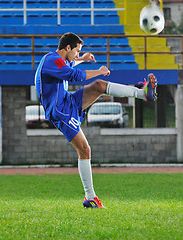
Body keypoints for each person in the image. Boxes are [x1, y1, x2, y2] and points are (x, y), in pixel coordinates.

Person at [35, 32, 157, 208]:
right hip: (60, 111)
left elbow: (68, 64)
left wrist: (82, 59)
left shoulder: (56, 60)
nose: (77, 54)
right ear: (67, 47)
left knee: (99, 85)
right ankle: (90, 197)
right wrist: (98, 70)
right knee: (84, 150)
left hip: (67, 101)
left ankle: (143, 93)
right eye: (77, 50)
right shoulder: (51, 60)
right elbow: (72, 75)